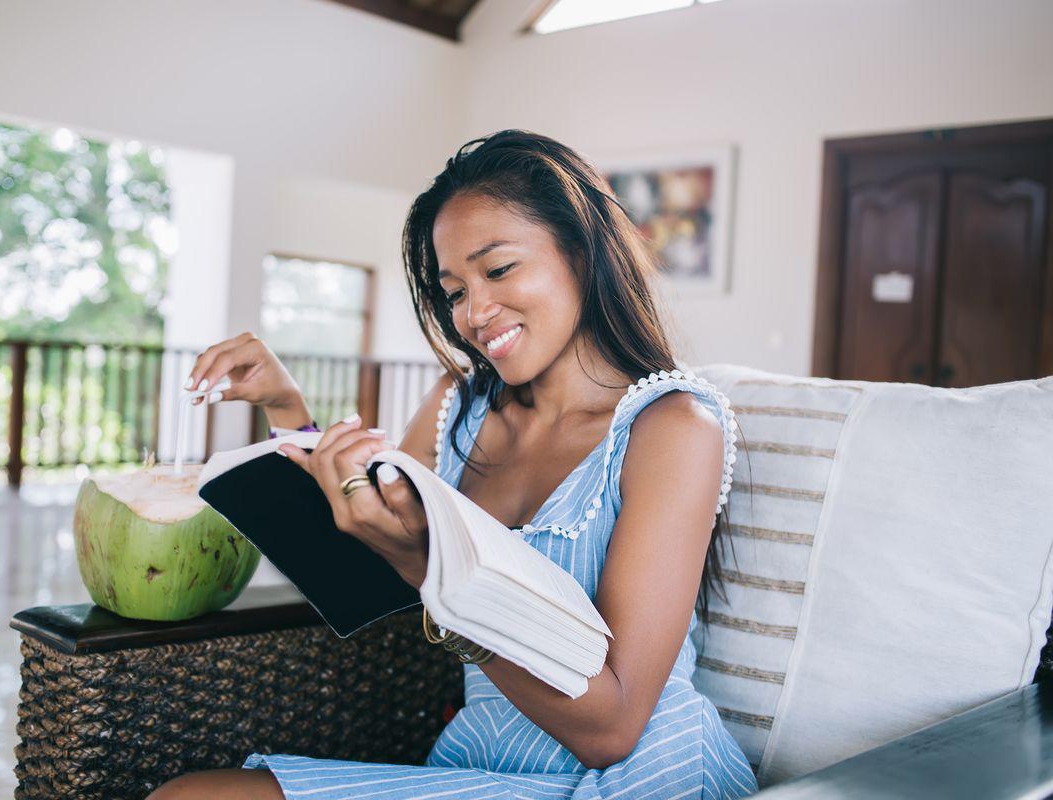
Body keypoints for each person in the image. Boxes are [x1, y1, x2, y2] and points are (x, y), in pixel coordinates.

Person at [148, 129, 758, 800]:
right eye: (454, 291)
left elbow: (611, 727)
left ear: (583, 255)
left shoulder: (671, 428)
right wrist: (286, 408)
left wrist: (429, 572)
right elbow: (366, 548)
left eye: (498, 271)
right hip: (484, 762)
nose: (475, 313)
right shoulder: (457, 408)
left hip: (632, 774)